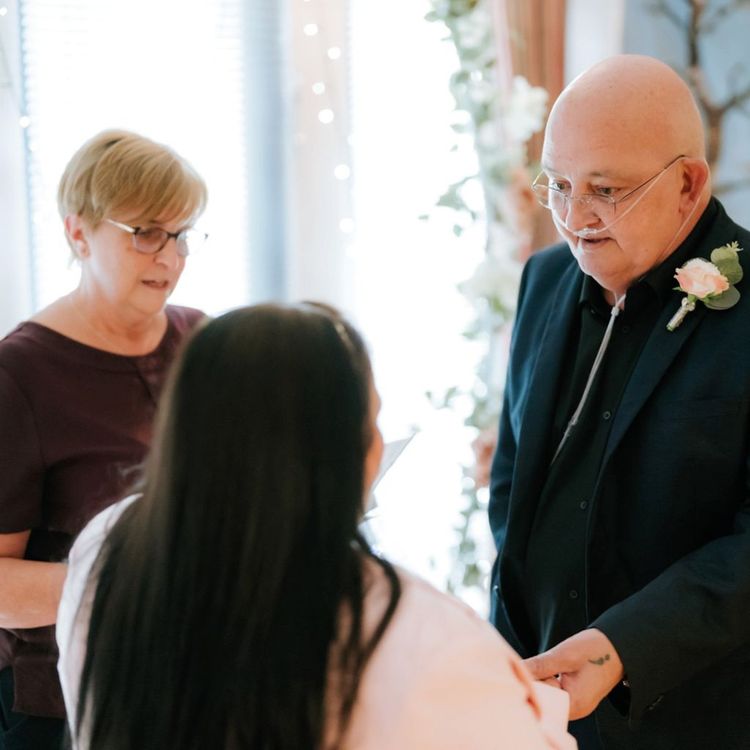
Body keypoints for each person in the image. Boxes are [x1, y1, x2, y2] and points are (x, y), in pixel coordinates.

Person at [56, 303, 576, 750]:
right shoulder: (411, 629)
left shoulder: (107, 546)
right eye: (371, 420)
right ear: (335, 455)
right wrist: (536, 703)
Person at [488, 53, 750, 750]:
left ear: (689, 184)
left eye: (605, 190)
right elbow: (514, 475)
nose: (575, 220)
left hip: (686, 714)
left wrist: (622, 647)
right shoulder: (543, 279)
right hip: (537, 702)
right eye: (558, 185)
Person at [0, 129, 207, 748]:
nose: (169, 257)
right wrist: (133, 582)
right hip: (60, 707)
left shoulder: (201, 342)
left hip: (187, 684)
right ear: (79, 233)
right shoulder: (20, 375)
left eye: (181, 235)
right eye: (145, 232)